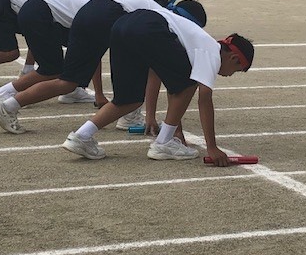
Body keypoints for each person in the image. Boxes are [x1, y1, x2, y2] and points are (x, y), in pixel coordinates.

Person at [0, 0, 205, 135]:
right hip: (108, 16)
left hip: (90, 14)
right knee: (131, 81)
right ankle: (128, 116)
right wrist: (161, 121)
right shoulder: (163, 21)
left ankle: (8, 106)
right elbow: (155, 72)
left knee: (68, 81)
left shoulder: (148, 8)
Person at [62, 9, 254, 165]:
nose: (229, 75)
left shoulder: (189, 43)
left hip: (124, 25)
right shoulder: (211, 52)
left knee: (128, 99)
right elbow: (204, 99)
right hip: (149, 26)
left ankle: (81, 136)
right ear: (234, 58)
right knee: (188, 84)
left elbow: (161, 77)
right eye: (235, 70)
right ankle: (163, 144)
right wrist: (211, 147)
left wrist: (174, 127)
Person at [0, 0, 100, 132]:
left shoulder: (97, 4)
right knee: (53, 71)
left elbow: (88, 52)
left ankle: (72, 92)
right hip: (39, 14)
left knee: (59, 69)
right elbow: (94, 52)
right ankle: (3, 96)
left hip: (33, 10)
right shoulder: (101, 14)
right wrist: (99, 94)